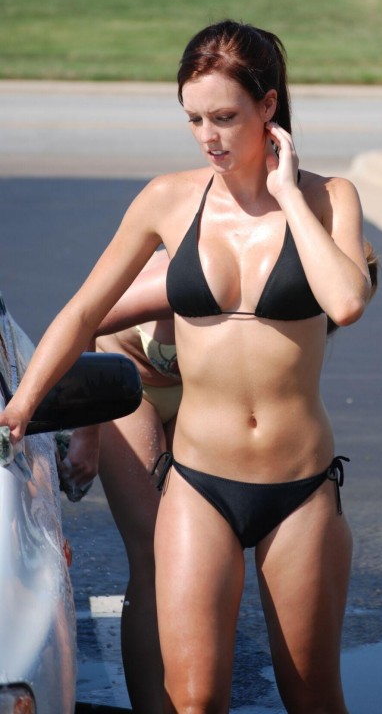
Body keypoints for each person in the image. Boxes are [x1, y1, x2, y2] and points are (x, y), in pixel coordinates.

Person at [0, 20, 374, 713]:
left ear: (269, 107)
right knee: (193, 701)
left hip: (300, 490)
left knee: (312, 697)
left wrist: (290, 194)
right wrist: (23, 405)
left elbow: (346, 301)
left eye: (226, 117)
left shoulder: (328, 199)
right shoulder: (168, 201)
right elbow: (85, 311)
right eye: (195, 119)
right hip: (200, 487)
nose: (209, 136)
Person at [66, 249, 178, 714]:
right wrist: (86, 429)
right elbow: (84, 318)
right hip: (127, 382)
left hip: (207, 392)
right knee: (155, 554)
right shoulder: (187, 271)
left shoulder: (296, 289)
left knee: (207, 554)